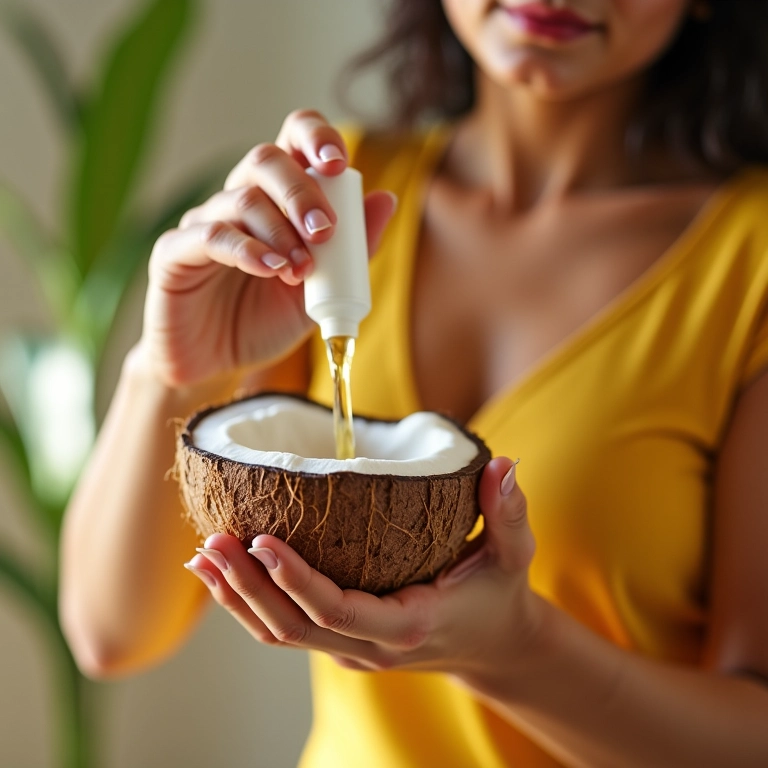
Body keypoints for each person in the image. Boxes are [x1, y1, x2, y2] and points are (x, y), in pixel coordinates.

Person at [59, 0, 768, 765]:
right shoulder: (338, 211)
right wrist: (174, 372)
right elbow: (111, 635)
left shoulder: (750, 263)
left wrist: (516, 651)